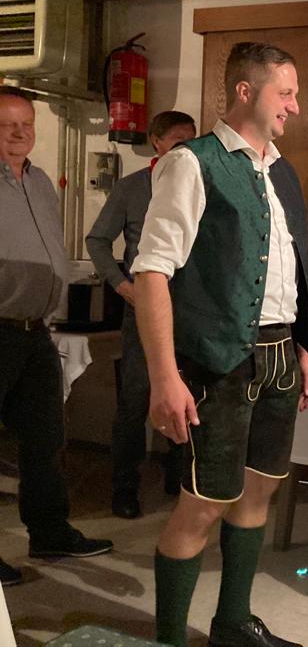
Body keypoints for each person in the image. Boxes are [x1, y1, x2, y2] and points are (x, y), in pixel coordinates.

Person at [131, 43, 308, 647]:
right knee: (203, 503)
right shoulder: (193, 163)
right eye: (285, 92)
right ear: (245, 91)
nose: (294, 105)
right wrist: (165, 376)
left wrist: (305, 347)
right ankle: (169, 638)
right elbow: (152, 272)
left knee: (259, 488)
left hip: (280, 355)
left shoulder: (281, 169)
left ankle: (232, 622)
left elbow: (292, 268)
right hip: (219, 360)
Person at [0, 87, 114, 587]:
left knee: (46, 439)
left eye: (26, 123)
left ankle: (49, 532)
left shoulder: (41, 180)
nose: (19, 132)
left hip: (36, 333)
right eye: (7, 124)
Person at [86, 110, 197, 519]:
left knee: (189, 393)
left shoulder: (198, 182)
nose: (187, 149)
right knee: (135, 399)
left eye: (192, 141)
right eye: (179, 141)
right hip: (144, 311)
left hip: (190, 312)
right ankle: (125, 488)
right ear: (156, 141)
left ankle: (179, 477)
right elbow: (98, 240)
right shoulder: (133, 188)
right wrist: (122, 286)